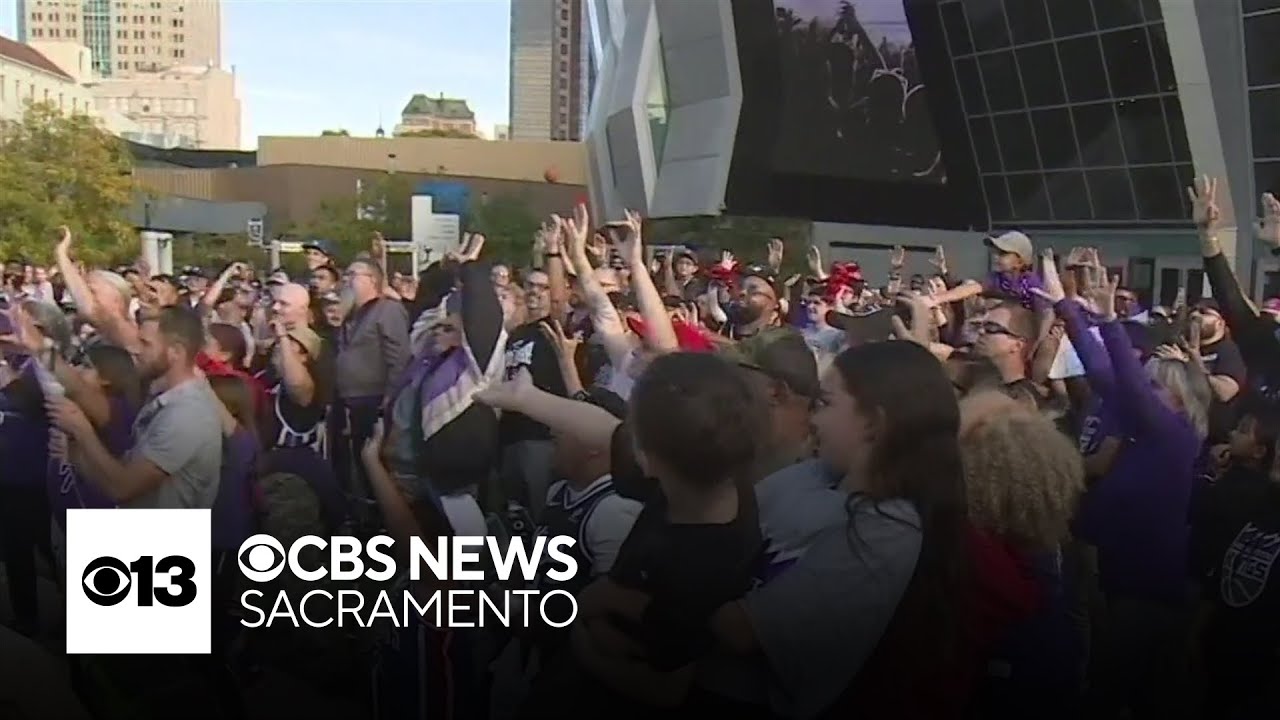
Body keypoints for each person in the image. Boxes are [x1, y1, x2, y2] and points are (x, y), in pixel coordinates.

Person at [47, 306, 223, 510]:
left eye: (145, 344)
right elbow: (118, 474)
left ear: (176, 352)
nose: (136, 350)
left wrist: (82, 430)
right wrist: (76, 453)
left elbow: (122, 488)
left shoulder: (187, 414)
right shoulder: (164, 397)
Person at [335, 258, 410, 498]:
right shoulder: (353, 316)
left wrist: (389, 400)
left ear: (373, 280)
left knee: (376, 469)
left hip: (376, 402)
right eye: (346, 274)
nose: (347, 280)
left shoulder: (387, 310)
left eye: (353, 274)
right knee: (359, 467)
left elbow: (399, 359)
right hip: (353, 402)